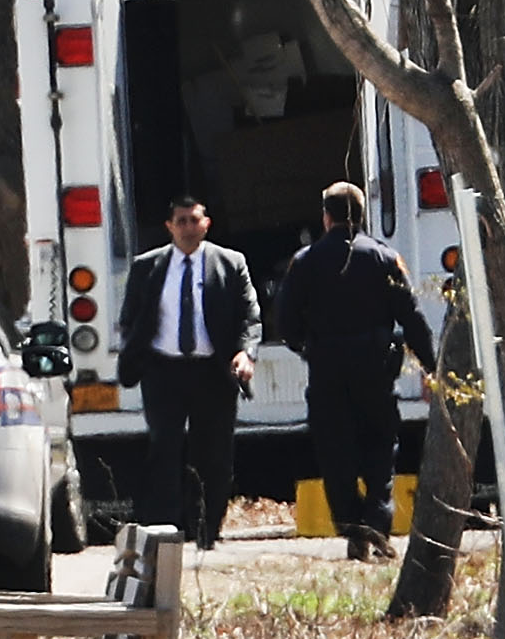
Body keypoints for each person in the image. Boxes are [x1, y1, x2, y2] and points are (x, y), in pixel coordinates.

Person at [275, 181, 433, 561]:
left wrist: (306, 347)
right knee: (380, 447)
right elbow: (410, 317)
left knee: (335, 450)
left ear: (326, 217)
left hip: (327, 369)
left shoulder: (305, 261)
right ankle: (376, 522)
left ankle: (352, 526)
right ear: (360, 217)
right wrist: (431, 364)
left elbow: (285, 321)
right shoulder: (384, 258)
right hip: (375, 368)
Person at [113, 195, 260, 549]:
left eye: (194, 220)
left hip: (213, 372)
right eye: (181, 221)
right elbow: (131, 317)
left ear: (206, 223)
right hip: (164, 371)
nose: (188, 228)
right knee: (164, 449)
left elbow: (249, 316)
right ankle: (168, 531)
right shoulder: (147, 267)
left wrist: (244, 353)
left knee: (214, 454)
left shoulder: (230, 263)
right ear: (169, 227)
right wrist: (138, 354)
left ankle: (207, 530)